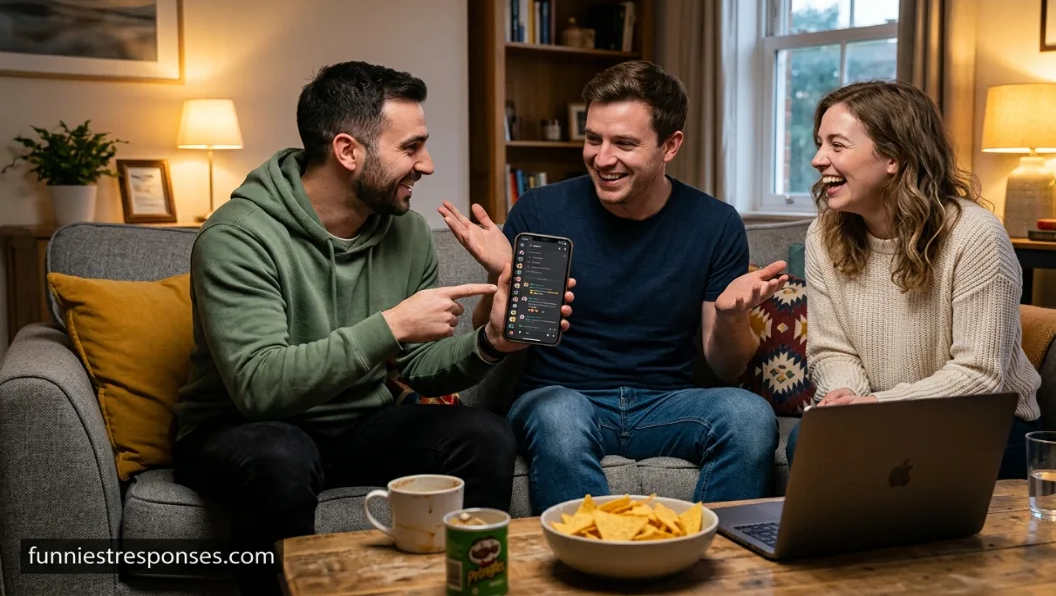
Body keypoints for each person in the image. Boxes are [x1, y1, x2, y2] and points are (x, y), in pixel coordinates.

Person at [172, 61, 570, 595]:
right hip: (238, 429)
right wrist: (392, 325)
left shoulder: (407, 233)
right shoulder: (238, 238)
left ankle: (473, 587)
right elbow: (260, 388)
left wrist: (490, 343)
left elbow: (418, 371)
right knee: (282, 456)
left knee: (483, 435)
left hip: (358, 423)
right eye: (411, 148)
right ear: (347, 151)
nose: (426, 165)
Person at [439, 60, 783, 514]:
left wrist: (733, 315)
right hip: (562, 398)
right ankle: (595, 554)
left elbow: (724, 367)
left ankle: (713, 559)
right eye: (593, 138)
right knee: (558, 414)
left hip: (668, 404)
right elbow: (505, 339)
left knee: (750, 415)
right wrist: (506, 276)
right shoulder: (542, 209)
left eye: (623, 143)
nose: (602, 158)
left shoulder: (715, 223)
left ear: (670, 145)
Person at [785, 80, 1042, 479]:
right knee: (806, 438)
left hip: (983, 423)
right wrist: (849, 396)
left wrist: (877, 406)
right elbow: (831, 349)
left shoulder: (976, 236)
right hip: (880, 414)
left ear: (894, 156)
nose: (818, 159)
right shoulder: (824, 235)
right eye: (820, 143)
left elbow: (979, 376)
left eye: (837, 145)